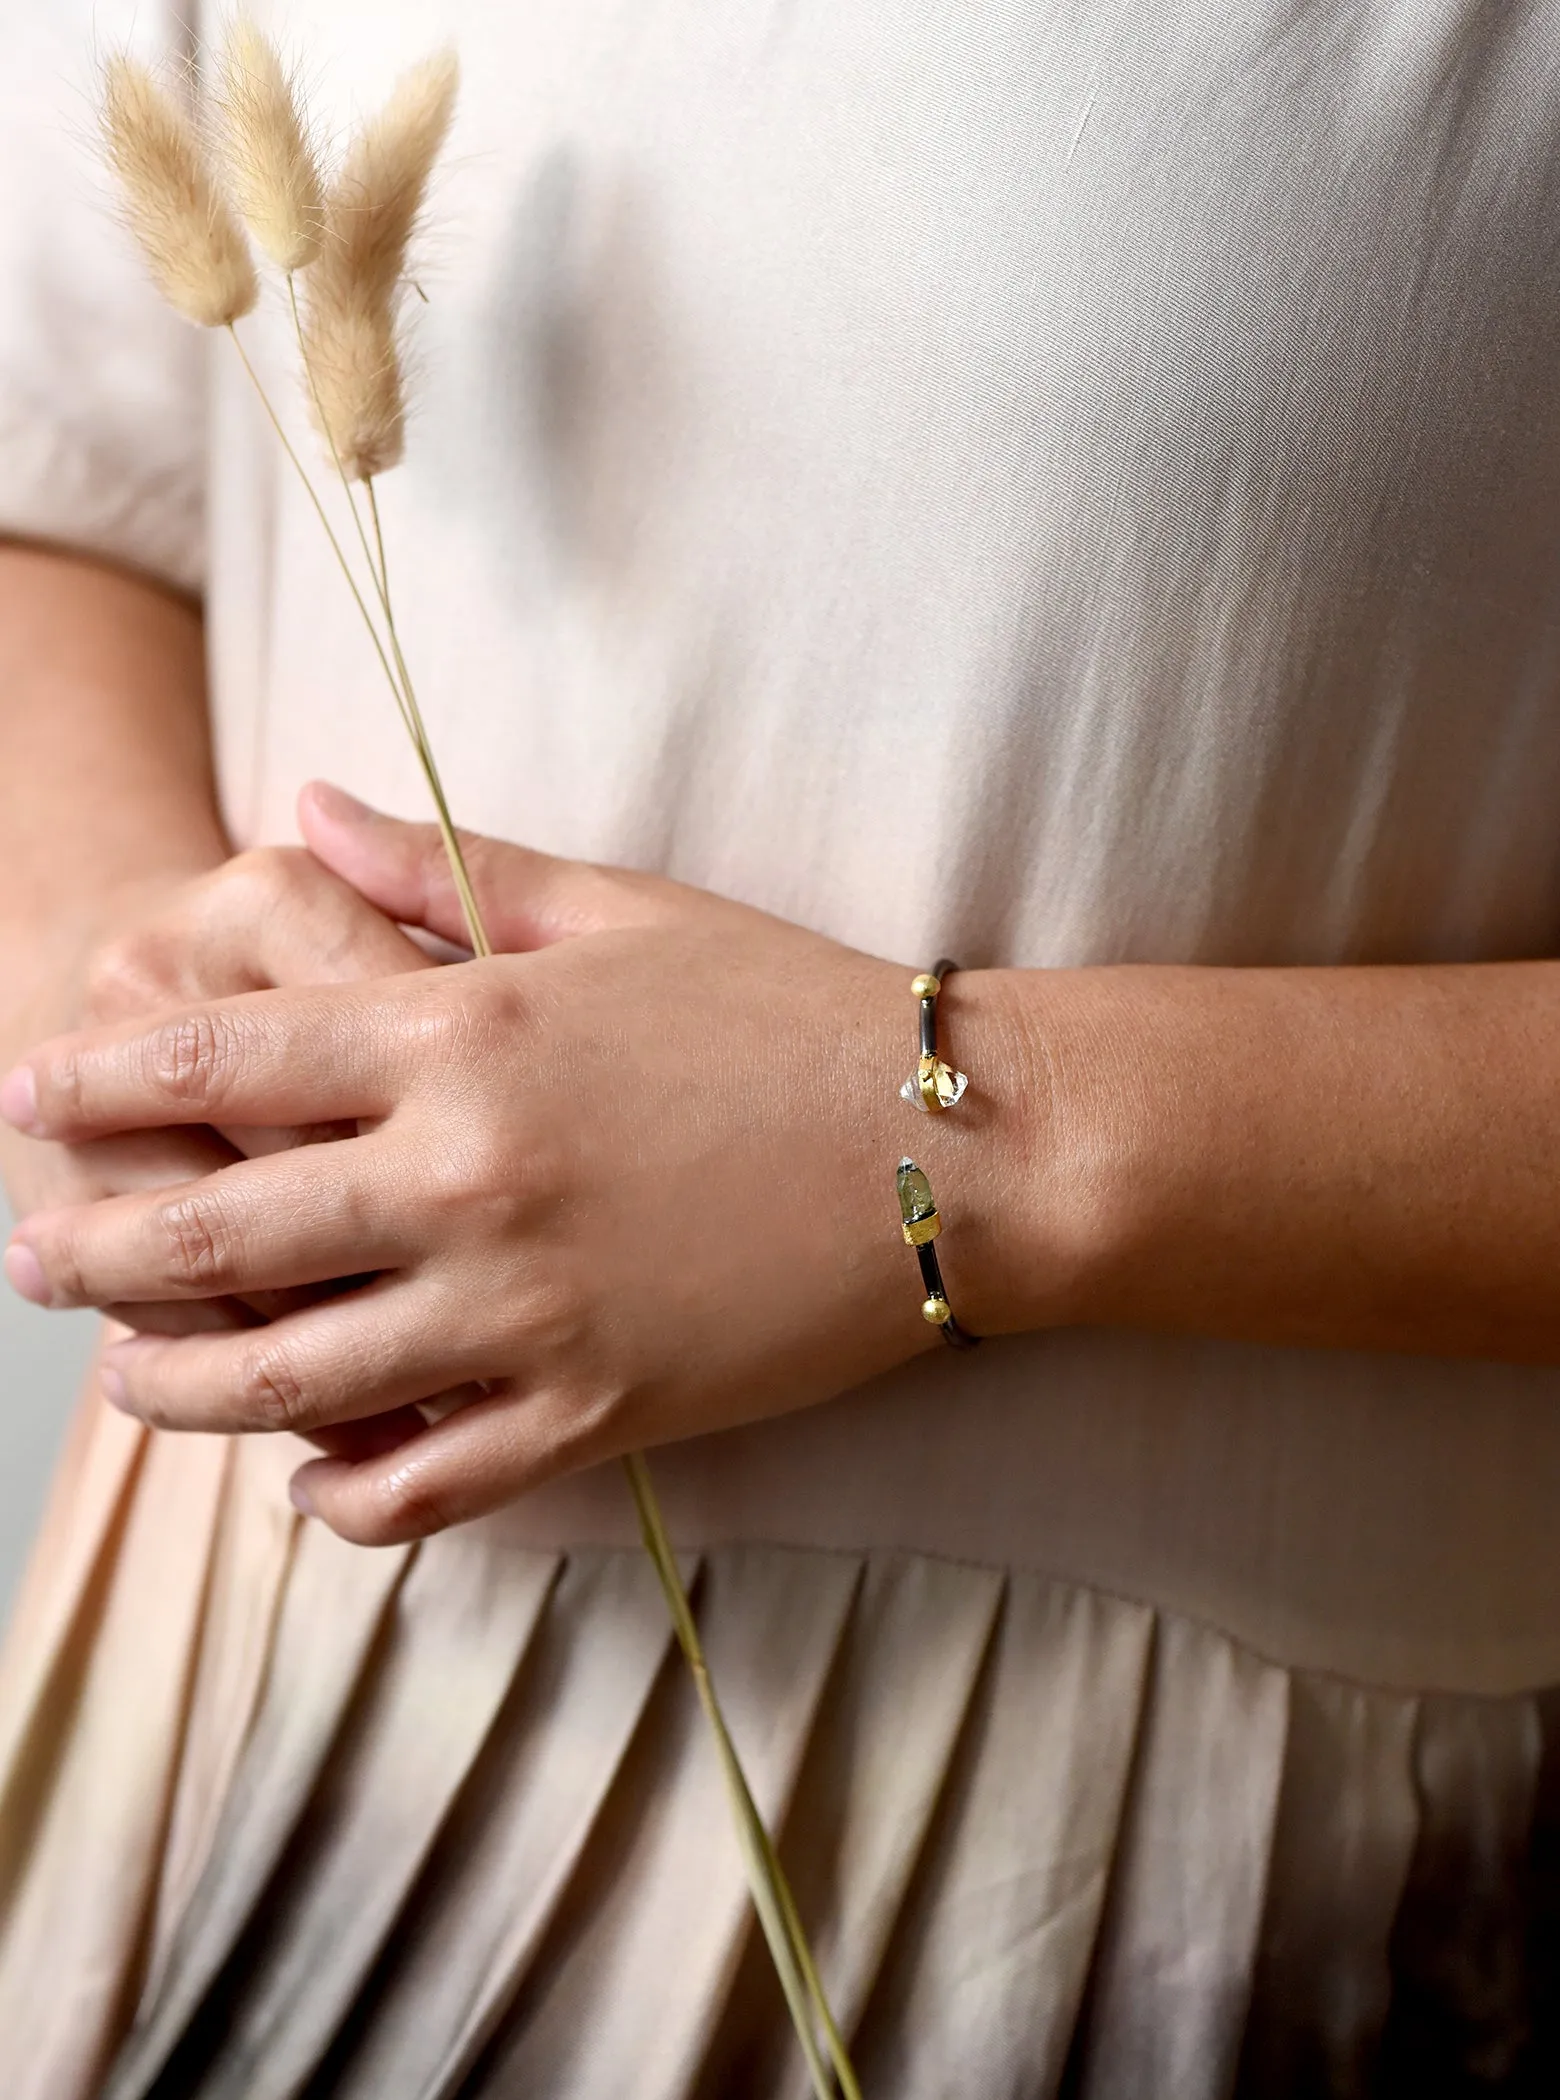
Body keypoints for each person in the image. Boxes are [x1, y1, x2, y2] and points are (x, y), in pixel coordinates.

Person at [4, 2, 1560, 2094]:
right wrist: (122, 998)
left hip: (1163, 1882)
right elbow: (71, 496)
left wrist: (951, 1151)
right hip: (262, 1668)